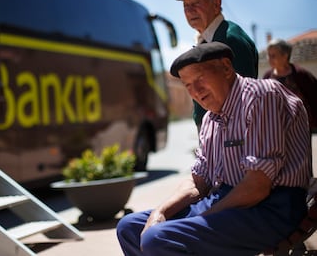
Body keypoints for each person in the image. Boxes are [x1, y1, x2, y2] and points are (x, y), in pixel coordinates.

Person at [116, 42, 311, 256]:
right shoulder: (210, 118)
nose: (196, 92)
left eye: (199, 80)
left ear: (226, 68)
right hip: (226, 201)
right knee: (129, 227)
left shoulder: (261, 96)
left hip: (271, 208)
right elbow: (198, 180)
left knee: (158, 238)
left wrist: (202, 218)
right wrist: (159, 212)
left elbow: (257, 186)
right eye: (188, 85)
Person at [176, 0, 258, 131]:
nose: (190, 10)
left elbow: (243, 100)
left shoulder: (229, 39)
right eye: (186, 6)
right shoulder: (206, 40)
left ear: (217, 2)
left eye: (196, 3)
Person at [263, 38, 317, 133]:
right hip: (277, 128)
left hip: (301, 127)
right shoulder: (267, 77)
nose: (269, 59)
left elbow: (314, 97)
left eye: (273, 56)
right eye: (269, 55)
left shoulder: (301, 75)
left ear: (285, 56)